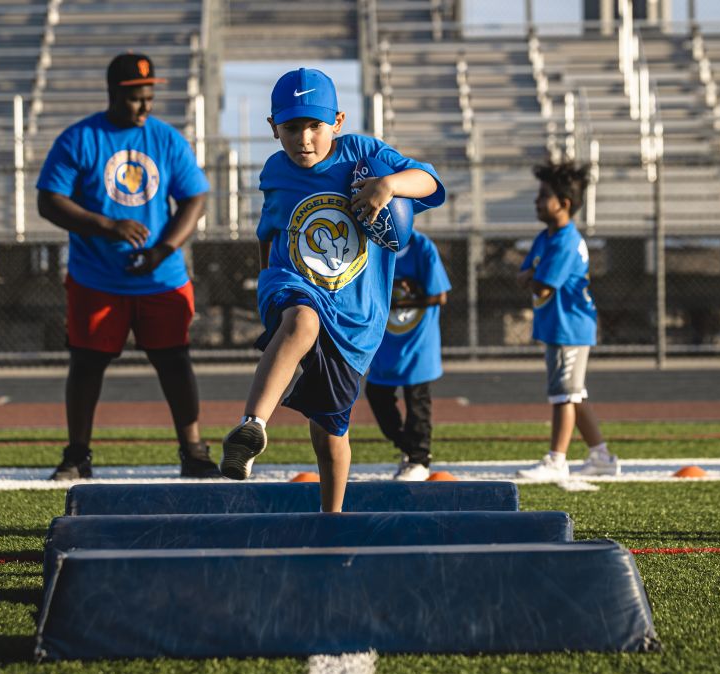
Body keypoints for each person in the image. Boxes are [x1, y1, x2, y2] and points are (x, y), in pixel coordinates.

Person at [219, 67, 445, 512]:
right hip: (294, 285)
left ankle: (332, 515)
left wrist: (389, 185)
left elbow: (432, 183)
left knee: (330, 429)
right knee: (301, 319)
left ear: (337, 122)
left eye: (314, 126)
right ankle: (251, 425)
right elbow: (268, 232)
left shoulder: (361, 153)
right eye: (291, 127)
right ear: (273, 128)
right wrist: (269, 289)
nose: (304, 138)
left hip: (354, 315)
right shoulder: (274, 170)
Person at [35, 53, 220, 480]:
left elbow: (195, 198)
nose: (146, 107)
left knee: (174, 361)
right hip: (96, 277)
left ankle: (193, 452)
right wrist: (105, 226)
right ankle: (77, 454)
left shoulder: (166, 139)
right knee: (86, 364)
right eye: (137, 98)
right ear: (115, 95)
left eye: (150, 98)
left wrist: (164, 248)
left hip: (160, 277)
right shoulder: (81, 138)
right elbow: (49, 200)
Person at [515, 161, 620, 482]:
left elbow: (541, 283)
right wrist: (532, 275)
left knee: (563, 394)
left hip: (569, 327)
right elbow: (524, 275)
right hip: (556, 324)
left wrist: (533, 275)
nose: (536, 201)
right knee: (574, 393)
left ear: (565, 204)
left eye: (543, 195)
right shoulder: (546, 237)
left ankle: (556, 459)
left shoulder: (564, 241)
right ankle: (601, 455)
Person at [365, 229, 452, 482]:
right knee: (377, 395)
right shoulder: (373, 245)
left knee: (417, 402)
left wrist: (409, 295)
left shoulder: (422, 247)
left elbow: (440, 295)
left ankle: (419, 459)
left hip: (417, 341)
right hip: (386, 340)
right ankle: (407, 446)